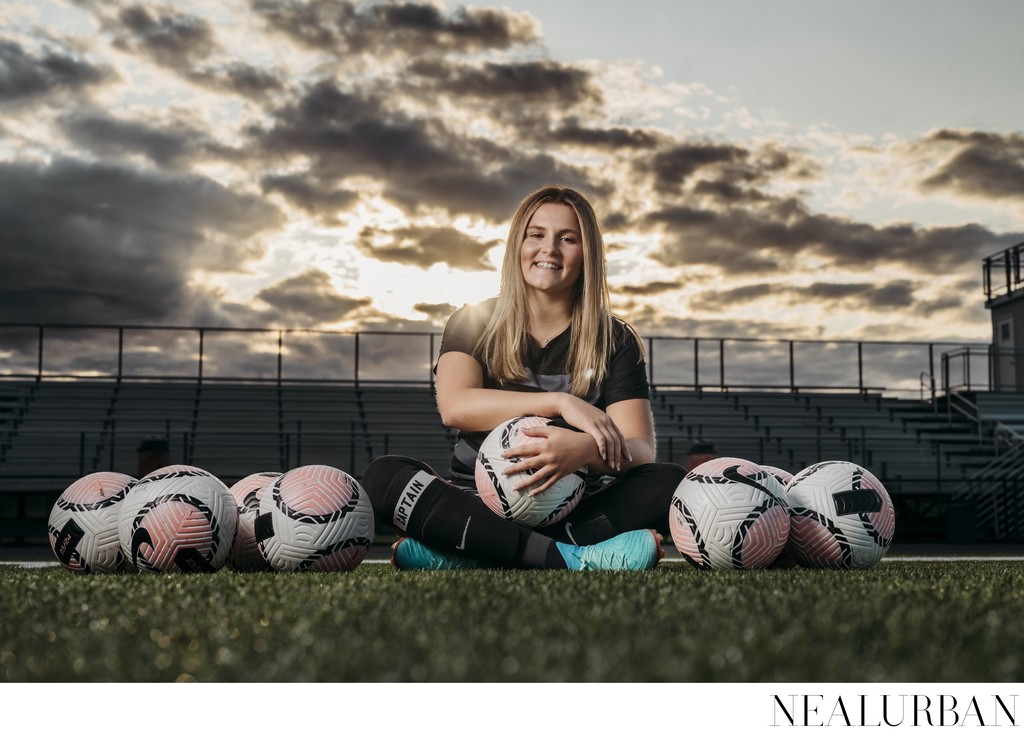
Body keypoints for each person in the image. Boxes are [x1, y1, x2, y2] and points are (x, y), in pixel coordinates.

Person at [360, 185, 686, 570]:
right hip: (476, 503)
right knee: (383, 477)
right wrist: (562, 403)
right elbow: (454, 405)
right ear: (518, 245)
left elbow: (640, 450)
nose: (549, 249)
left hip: (571, 509)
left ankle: (471, 549)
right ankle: (571, 556)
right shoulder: (473, 320)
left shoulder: (614, 339)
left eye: (568, 238)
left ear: (588, 255)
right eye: (536, 235)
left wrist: (582, 451)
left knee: (668, 483)